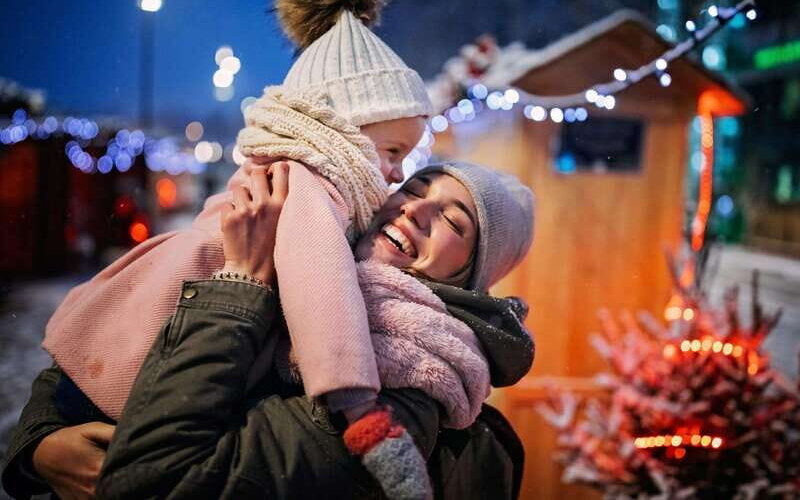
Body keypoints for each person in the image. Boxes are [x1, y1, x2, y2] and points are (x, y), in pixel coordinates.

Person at [41, 0, 439, 493]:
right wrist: (359, 405)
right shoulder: (312, 183)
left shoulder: (276, 170)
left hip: (135, 357)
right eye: (392, 152)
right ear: (341, 126)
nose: (395, 174)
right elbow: (324, 294)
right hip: (152, 372)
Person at [2, 161, 535, 499]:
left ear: (471, 274)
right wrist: (40, 443)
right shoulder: (305, 254)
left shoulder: (411, 376)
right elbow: (118, 337)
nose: (415, 208)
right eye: (416, 186)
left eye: (454, 221)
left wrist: (240, 286)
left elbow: (153, 484)